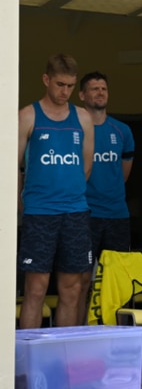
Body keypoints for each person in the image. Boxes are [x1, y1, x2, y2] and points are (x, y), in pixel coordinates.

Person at [17, 54, 94, 328]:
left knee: (72, 289)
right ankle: (28, 364)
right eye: (60, 84)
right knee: (36, 289)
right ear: (46, 80)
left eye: (71, 86)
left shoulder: (83, 117)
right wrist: (22, 206)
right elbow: (14, 168)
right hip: (40, 214)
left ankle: (63, 363)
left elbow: (86, 165)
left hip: (74, 213)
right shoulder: (27, 116)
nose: (65, 91)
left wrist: (69, 193)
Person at [78, 71, 135, 324]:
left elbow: (122, 174)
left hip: (116, 216)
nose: (100, 92)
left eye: (103, 88)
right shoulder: (75, 128)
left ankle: (115, 337)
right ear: (82, 95)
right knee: (80, 280)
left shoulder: (122, 131)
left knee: (117, 281)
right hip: (85, 214)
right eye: (94, 89)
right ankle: (80, 334)